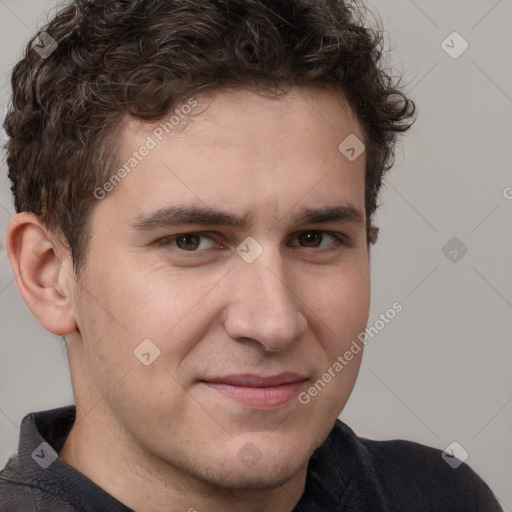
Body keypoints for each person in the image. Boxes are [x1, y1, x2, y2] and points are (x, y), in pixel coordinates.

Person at [0, 0, 503, 511]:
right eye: (191, 241)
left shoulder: (439, 497)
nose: (274, 323)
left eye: (315, 239)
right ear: (50, 274)